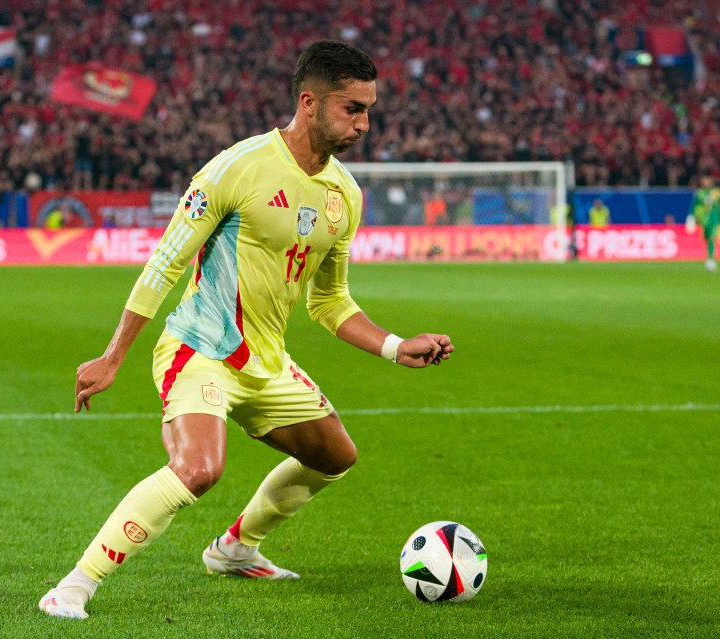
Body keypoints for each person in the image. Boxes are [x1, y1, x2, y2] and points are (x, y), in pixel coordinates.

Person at [38, 41, 455, 619]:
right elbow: (166, 262)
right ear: (309, 103)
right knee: (199, 469)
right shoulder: (238, 166)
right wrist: (113, 356)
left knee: (335, 455)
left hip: (265, 361)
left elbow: (330, 302)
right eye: (352, 109)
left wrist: (392, 345)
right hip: (200, 349)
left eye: (368, 110)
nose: (364, 124)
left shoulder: (345, 196)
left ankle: (236, 548)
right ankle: (74, 587)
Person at [686, 174, 720, 272]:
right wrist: (691, 218)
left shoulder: (718, 192)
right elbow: (694, 206)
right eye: (704, 180)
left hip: (714, 218)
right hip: (703, 220)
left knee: (712, 237)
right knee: (707, 238)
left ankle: (711, 259)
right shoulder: (699, 193)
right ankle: (709, 257)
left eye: (708, 179)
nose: (706, 182)